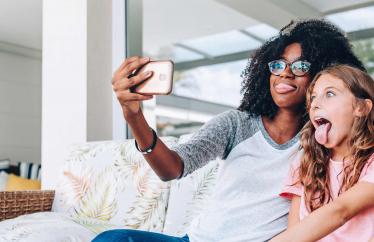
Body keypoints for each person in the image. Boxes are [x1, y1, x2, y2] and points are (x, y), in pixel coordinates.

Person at [93, 19, 364, 242]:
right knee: (112, 239)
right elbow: (171, 169)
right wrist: (133, 115)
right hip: (196, 239)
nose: (285, 74)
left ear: (322, 75)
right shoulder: (236, 124)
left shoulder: (324, 137)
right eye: (278, 65)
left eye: (301, 66)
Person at [270, 65, 374, 242]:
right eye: (313, 97)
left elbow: (341, 210)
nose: (315, 104)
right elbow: (296, 230)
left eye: (330, 94)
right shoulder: (305, 162)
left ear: (362, 108)